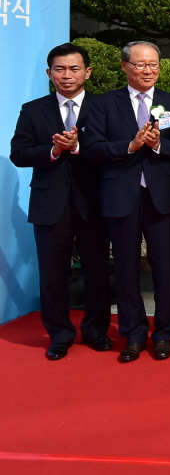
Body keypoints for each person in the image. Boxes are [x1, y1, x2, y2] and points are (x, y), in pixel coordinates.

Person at [81, 41, 170, 363]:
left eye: (153, 64)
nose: (147, 70)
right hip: (120, 196)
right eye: (140, 65)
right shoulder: (103, 104)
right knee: (125, 269)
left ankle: (164, 334)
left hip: (160, 197)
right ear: (124, 66)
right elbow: (92, 148)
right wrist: (130, 144)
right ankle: (133, 335)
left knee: (165, 267)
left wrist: (157, 145)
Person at [9, 43, 111, 361]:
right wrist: (54, 151)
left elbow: (113, 150)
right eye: (60, 69)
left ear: (88, 72)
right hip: (49, 203)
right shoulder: (33, 109)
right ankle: (59, 334)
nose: (67, 75)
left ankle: (96, 331)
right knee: (52, 273)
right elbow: (18, 152)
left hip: (94, 201)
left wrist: (79, 147)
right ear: (49, 73)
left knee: (96, 269)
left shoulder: (104, 107)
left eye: (74, 68)